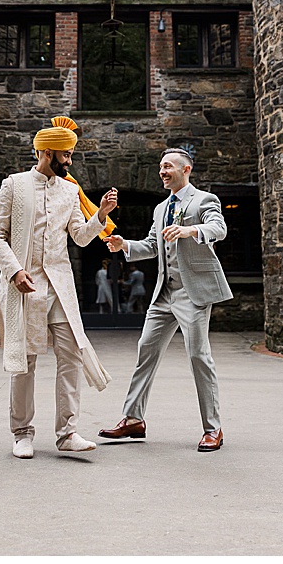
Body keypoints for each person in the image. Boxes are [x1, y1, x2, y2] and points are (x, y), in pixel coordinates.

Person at [0, 116, 117, 459]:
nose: (70, 161)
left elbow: (80, 238)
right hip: (24, 285)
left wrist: (99, 216)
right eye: (66, 155)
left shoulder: (71, 190)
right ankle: (22, 433)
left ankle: (68, 432)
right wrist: (14, 271)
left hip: (59, 286)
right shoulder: (13, 185)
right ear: (45, 152)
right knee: (25, 360)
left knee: (70, 354)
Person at [100, 149, 231, 452]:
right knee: (146, 349)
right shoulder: (160, 209)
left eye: (168, 166)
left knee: (199, 356)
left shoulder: (204, 200)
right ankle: (133, 418)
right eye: (160, 167)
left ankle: (213, 429)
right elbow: (151, 245)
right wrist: (124, 245)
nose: (162, 171)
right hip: (165, 292)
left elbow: (218, 228)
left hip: (193, 293)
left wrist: (190, 230)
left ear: (186, 169)